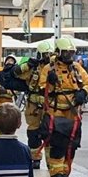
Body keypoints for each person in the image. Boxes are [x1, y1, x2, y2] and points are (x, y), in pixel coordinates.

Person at [39, 37, 88, 177]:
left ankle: (65, 170)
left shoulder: (76, 67)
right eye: (66, 53)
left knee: (72, 143)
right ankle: (56, 172)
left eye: (71, 53)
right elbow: (42, 89)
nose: (69, 56)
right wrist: (50, 81)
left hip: (73, 111)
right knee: (56, 142)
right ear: (59, 52)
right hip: (55, 111)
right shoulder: (48, 69)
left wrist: (83, 92)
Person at [12, 41, 53, 169]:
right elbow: (16, 73)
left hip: (49, 104)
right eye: (45, 54)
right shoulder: (33, 68)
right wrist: (28, 64)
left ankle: (51, 161)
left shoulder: (55, 68)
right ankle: (35, 158)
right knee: (33, 133)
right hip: (33, 105)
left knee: (50, 133)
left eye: (50, 54)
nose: (48, 57)